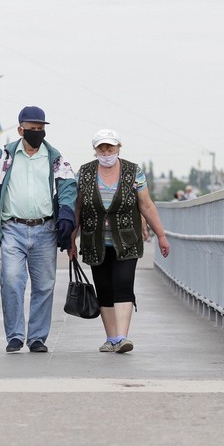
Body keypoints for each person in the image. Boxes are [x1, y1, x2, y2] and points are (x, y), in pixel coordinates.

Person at [0, 106, 77, 353]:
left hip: (45, 229)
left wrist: (66, 215)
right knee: (11, 281)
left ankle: (37, 338)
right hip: (12, 229)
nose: (37, 134)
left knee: (44, 285)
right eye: (32, 129)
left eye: (41, 129)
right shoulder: (4, 157)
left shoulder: (55, 158)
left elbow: (68, 187)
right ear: (20, 130)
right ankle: (15, 336)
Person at [69, 129, 170, 353]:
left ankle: (123, 337)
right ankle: (111, 338)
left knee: (123, 284)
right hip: (94, 241)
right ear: (95, 150)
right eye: (101, 148)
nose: (106, 152)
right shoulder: (84, 173)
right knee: (103, 289)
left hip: (126, 240)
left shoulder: (133, 171)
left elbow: (146, 205)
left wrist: (161, 235)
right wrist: (71, 240)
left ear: (118, 148)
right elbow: (76, 208)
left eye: (110, 148)